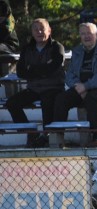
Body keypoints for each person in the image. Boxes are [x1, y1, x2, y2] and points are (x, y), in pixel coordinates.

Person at [53, 22, 97, 148]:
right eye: (83, 34)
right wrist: (78, 86)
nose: (86, 36)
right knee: (61, 99)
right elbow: (69, 75)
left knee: (92, 98)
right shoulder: (77, 51)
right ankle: (59, 138)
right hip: (81, 87)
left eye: (89, 33)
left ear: (96, 34)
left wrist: (86, 87)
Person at [7, 18, 65, 148]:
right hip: (34, 88)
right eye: (35, 29)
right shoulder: (27, 49)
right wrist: (43, 68)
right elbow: (21, 72)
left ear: (49, 30)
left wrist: (32, 69)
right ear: (32, 32)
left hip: (53, 87)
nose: (39, 32)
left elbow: (54, 68)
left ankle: (47, 137)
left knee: (48, 101)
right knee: (11, 103)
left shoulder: (57, 47)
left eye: (42, 28)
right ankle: (31, 133)